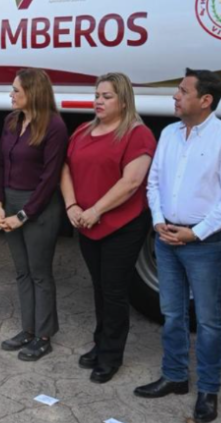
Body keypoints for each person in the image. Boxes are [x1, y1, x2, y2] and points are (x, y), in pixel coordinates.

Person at [136, 69, 221, 423]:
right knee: (172, 314)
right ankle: (174, 376)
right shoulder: (169, 133)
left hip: (205, 244)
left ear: (205, 100)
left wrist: (196, 233)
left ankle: (208, 390)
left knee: (210, 321)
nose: (175, 96)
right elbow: (154, 182)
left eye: (183, 91)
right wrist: (157, 220)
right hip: (166, 237)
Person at [61, 73, 155, 380]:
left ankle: (111, 356)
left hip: (121, 225)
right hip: (86, 222)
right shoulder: (82, 131)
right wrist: (72, 206)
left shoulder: (137, 135)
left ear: (124, 101)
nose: (98, 101)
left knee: (114, 290)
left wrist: (96, 210)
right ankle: (100, 343)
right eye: (97, 95)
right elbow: (65, 168)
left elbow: (131, 182)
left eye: (107, 96)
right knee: (99, 286)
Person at [0, 69, 67, 360]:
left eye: (16, 90)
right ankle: (28, 328)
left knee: (39, 273)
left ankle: (43, 335)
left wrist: (23, 215)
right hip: (10, 202)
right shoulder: (12, 121)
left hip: (38, 206)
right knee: (22, 271)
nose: (11, 95)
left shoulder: (54, 126)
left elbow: (50, 179)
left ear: (33, 93)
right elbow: (0, 163)